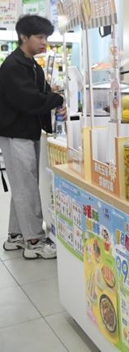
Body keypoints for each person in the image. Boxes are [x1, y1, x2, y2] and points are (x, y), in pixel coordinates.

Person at [0, 15, 65, 259]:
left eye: (46, 37)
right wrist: (57, 99)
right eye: (39, 37)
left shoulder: (31, 64)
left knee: (22, 185)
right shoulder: (13, 66)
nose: (44, 42)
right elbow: (30, 100)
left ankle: (16, 236)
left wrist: (55, 99)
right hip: (16, 135)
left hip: (26, 133)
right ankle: (34, 241)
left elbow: (42, 93)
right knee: (27, 187)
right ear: (24, 37)